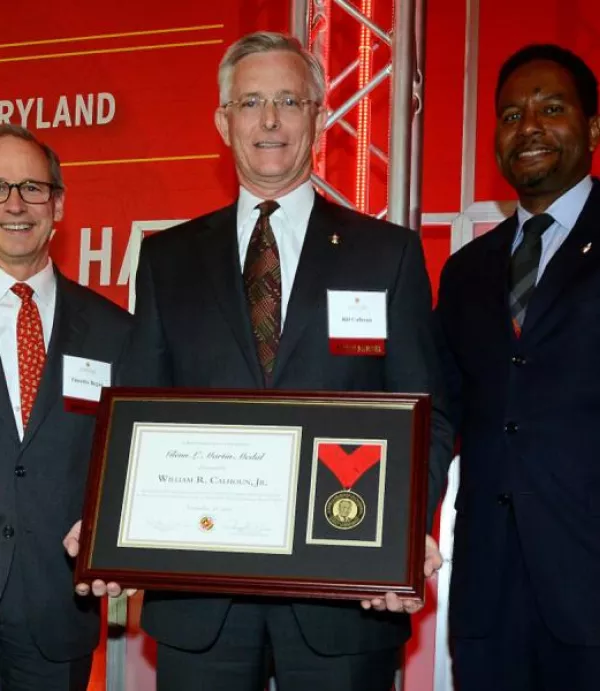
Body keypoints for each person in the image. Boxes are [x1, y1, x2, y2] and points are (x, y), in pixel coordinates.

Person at [69, 31, 453, 690]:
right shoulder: (169, 258)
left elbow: (429, 414)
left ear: (319, 115)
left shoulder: (386, 254)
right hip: (200, 607)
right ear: (223, 121)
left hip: (345, 600)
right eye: (250, 103)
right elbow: (138, 408)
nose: (269, 121)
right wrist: (111, 521)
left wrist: (403, 534)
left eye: (288, 102)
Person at [436, 44, 600, 691]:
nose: (528, 125)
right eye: (510, 115)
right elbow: (440, 412)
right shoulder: (464, 271)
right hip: (486, 592)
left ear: (592, 128)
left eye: (551, 108)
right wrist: (399, 529)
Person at [0, 124, 131, 690]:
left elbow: (130, 465)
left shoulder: (115, 333)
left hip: (56, 612)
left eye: (32, 188)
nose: (15, 205)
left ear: (58, 204)